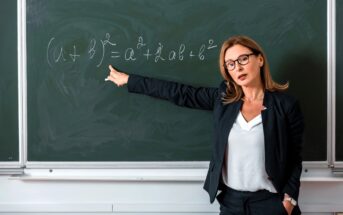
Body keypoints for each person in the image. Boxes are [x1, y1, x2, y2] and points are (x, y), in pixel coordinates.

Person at [105, 35, 304, 215]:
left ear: (259, 59)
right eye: (230, 64)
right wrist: (130, 81)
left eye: (243, 59)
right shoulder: (224, 99)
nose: (238, 68)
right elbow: (180, 93)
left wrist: (288, 201)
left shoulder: (285, 106)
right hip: (232, 203)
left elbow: (295, 158)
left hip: (271, 204)